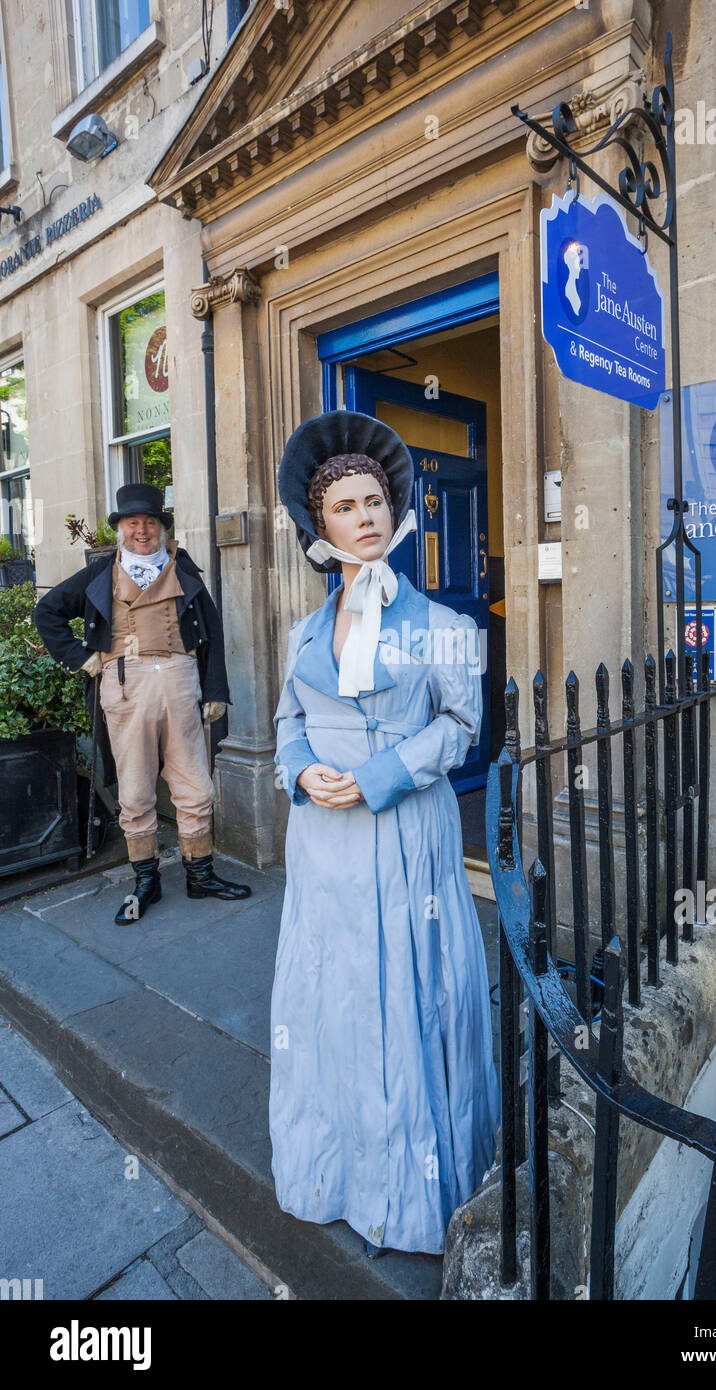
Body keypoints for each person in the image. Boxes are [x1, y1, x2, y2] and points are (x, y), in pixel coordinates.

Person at [270, 409, 500, 1259]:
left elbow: (464, 729)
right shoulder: (302, 630)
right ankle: (337, 1175)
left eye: (374, 502)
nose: (364, 517)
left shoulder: (444, 624)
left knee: (409, 999)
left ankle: (409, 1197)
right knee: (332, 1004)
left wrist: (374, 777)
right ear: (320, 525)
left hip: (405, 838)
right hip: (322, 849)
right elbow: (290, 719)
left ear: (393, 513)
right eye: (346, 508)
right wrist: (299, 770)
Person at [33, 482, 251, 923]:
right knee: (134, 787)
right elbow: (47, 611)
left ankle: (200, 874)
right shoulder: (99, 574)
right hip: (125, 682)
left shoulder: (183, 568)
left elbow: (213, 631)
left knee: (193, 782)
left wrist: (215, 692)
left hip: (180, 679)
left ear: (162, 527)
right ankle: (145, 881)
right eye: (133, 523)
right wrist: (80, 657)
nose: (142, 530)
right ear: (121, 529)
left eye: (150, 522)